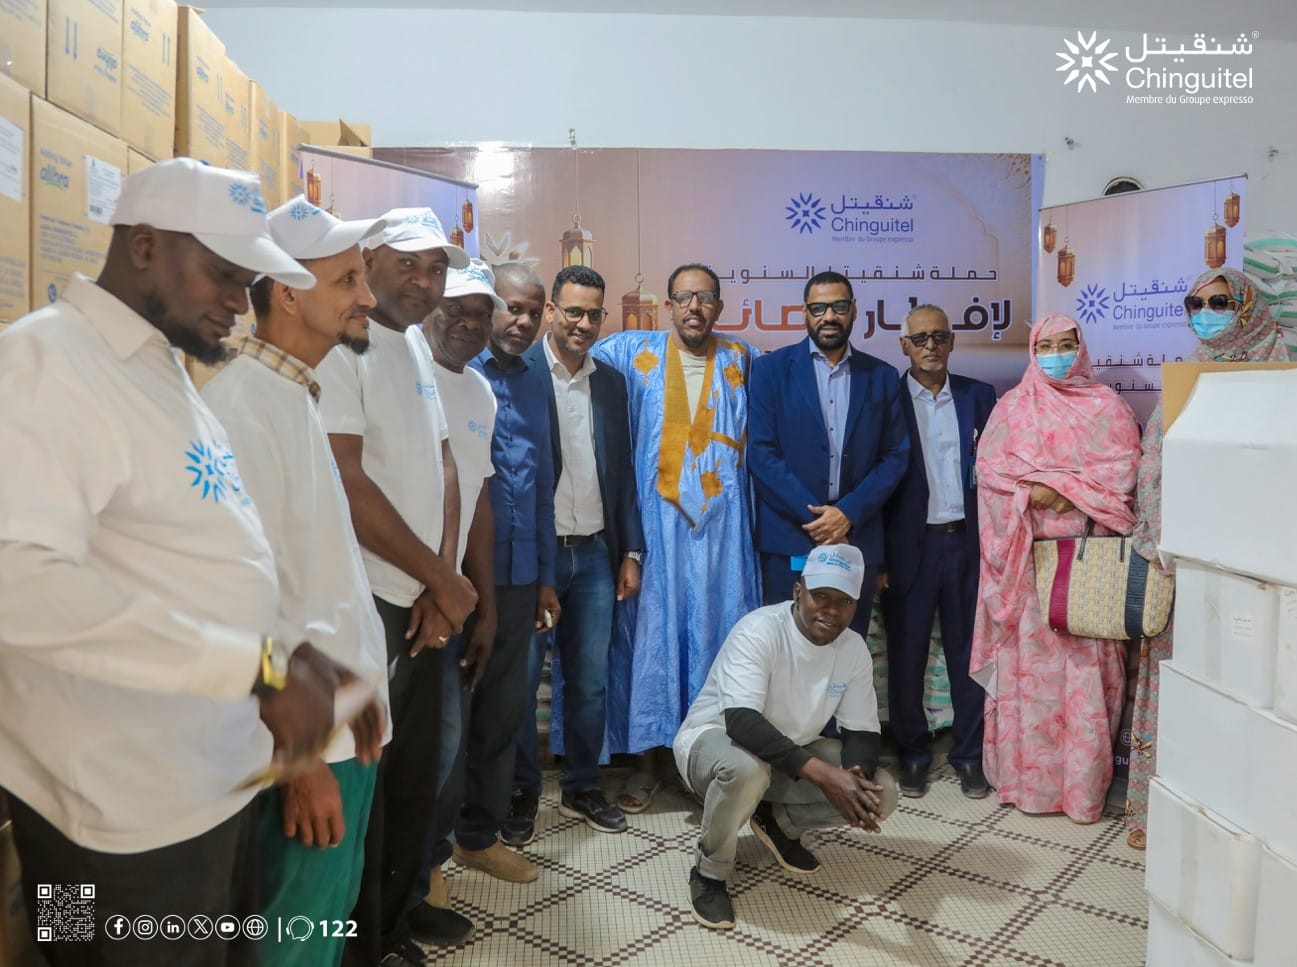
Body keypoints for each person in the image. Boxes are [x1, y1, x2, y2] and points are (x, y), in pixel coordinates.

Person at [0, 159, 379, 967]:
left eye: (246, 281)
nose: (239, 303)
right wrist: (257, 668)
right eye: (223, 275)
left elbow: (206, 555)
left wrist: (296, 655)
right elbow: (19, 585)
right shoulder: (45, 362)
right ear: (143, 246)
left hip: (202, 792)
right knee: (83, 951)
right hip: (107, 823)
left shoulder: (161, 366)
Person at [199, 195, 391, 967]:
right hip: (305, 744)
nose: (367, 297)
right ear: (286, 291)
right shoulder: (244, 408)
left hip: (338, 730)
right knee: (291, 943)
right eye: (347, 280)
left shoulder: (290, 394)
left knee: (318, 931)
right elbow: (239, 602)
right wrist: (302, 759)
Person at [315, 207, 477, 967]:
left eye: (436, 268)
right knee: (366, 784)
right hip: (370, 601)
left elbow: (444, 463)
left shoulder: (412, 341)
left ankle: (392, 922)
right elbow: (348, 484)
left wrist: (442, 584)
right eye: (407, 263)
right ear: (368, 261)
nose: (424, 281)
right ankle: (358, 940)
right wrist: (440, 578)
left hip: (418, 599)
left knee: (414, 775)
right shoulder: (340, 349)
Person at [1125, 268, 1291, 850]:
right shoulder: (1190, 376)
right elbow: (1153, 465)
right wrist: (1170, 540)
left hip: (1260, 577)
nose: (1204, 312)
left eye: (1219, 302)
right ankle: (1167, 816)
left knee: (1246, 697)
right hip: (1188, 567)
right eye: (1194, 303)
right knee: (1186, 687)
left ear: (1245, 306)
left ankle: (1242, 826)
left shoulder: (1283, 375)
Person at [593, 263, 761, 813]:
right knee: (653, 637)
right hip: (655, 530)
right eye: (684, 298)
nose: (695, 307)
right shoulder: (631, 354)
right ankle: (648, 761)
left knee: (719, 635)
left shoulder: (743, 360)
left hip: (723, 535)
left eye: (705, 298)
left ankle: (716, 761)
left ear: (719, 306)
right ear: (668, 305)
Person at [969, 313, 1141, 825]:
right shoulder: (1012, 408)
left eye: (1066, 344)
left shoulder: (1108, 407)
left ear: (1082, 347)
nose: (1057, 354)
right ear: (1033, 350)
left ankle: (1082, 794)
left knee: (1086, 684)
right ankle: (1025, 786)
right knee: (1029, 684)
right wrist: (1035, 492)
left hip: (1087, 574)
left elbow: (1123, 476)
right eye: (1047, 346)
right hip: (1027, 572)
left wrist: (1061, 489)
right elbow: (991, 475)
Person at [672, 544, 896, 931]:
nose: (830, 610)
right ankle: (709, 872)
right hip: (716, 743)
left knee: (883, 793)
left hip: (788, 752)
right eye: (820, 595)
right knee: (746, 771)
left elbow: (861, 730)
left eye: (843, 601)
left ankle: (778, 822)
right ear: (798, 591)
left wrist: (854, 780)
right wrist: (827, 776)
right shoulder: (760, 630)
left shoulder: (853, 649)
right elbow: (742, 722)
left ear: (855, 606)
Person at [504, 265, 645, 845]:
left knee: (588, 683)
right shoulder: (518, 372)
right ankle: (519, 792)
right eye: (574, 311)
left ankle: (583, 786)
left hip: (594, 558)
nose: (584, 323)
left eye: (594, 314)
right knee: (519, 684)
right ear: (552, 312)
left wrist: (631, 550)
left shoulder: (611, 383)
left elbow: (624, 474)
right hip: (532, 558)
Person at [453, 262, 560, 884]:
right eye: (511, 308)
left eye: (532, 312)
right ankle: (432, 847)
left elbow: (542, 485)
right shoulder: (458, 374)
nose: (522, 321)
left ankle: (478, 836)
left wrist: (545, 576)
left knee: (502, 711)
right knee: (450, 717)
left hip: (519, 580)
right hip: (460, 579)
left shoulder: (535, 382)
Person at [407, 260, 501, 945]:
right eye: (457, 307)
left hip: (450, 600)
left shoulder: (480, 391)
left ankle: (416, 884)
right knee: (406, 755)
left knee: (441, 751)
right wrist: (435, 584)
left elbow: (476, 501)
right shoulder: (398, 367)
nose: (469, 323)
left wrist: (483, 603)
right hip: (399, 596)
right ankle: (395, 894)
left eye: (481, 313)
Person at [747, 269, 908, 629]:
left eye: (839, 307)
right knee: (786, 647)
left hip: (856, 537)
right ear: (805, 312)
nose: (829, 316)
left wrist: (848, 513)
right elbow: (761, 453)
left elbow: (895, 455)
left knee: (847, 646)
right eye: (819, 308)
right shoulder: (770, 371)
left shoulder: (881, 376)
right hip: (791, 537)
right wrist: (819, 520)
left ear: (854, 310)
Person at [880, 304, 997, 800]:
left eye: (940, 336)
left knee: (969, 654)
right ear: (904, 346)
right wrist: (879, 558)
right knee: (906, 655)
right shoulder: (885, 400)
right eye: (920, 338)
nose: (930, 346)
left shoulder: (978, 396)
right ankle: (912, 754)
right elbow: (876, 480)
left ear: (952, 342)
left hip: (967, 544)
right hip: (910, 548)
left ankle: (969, 756)